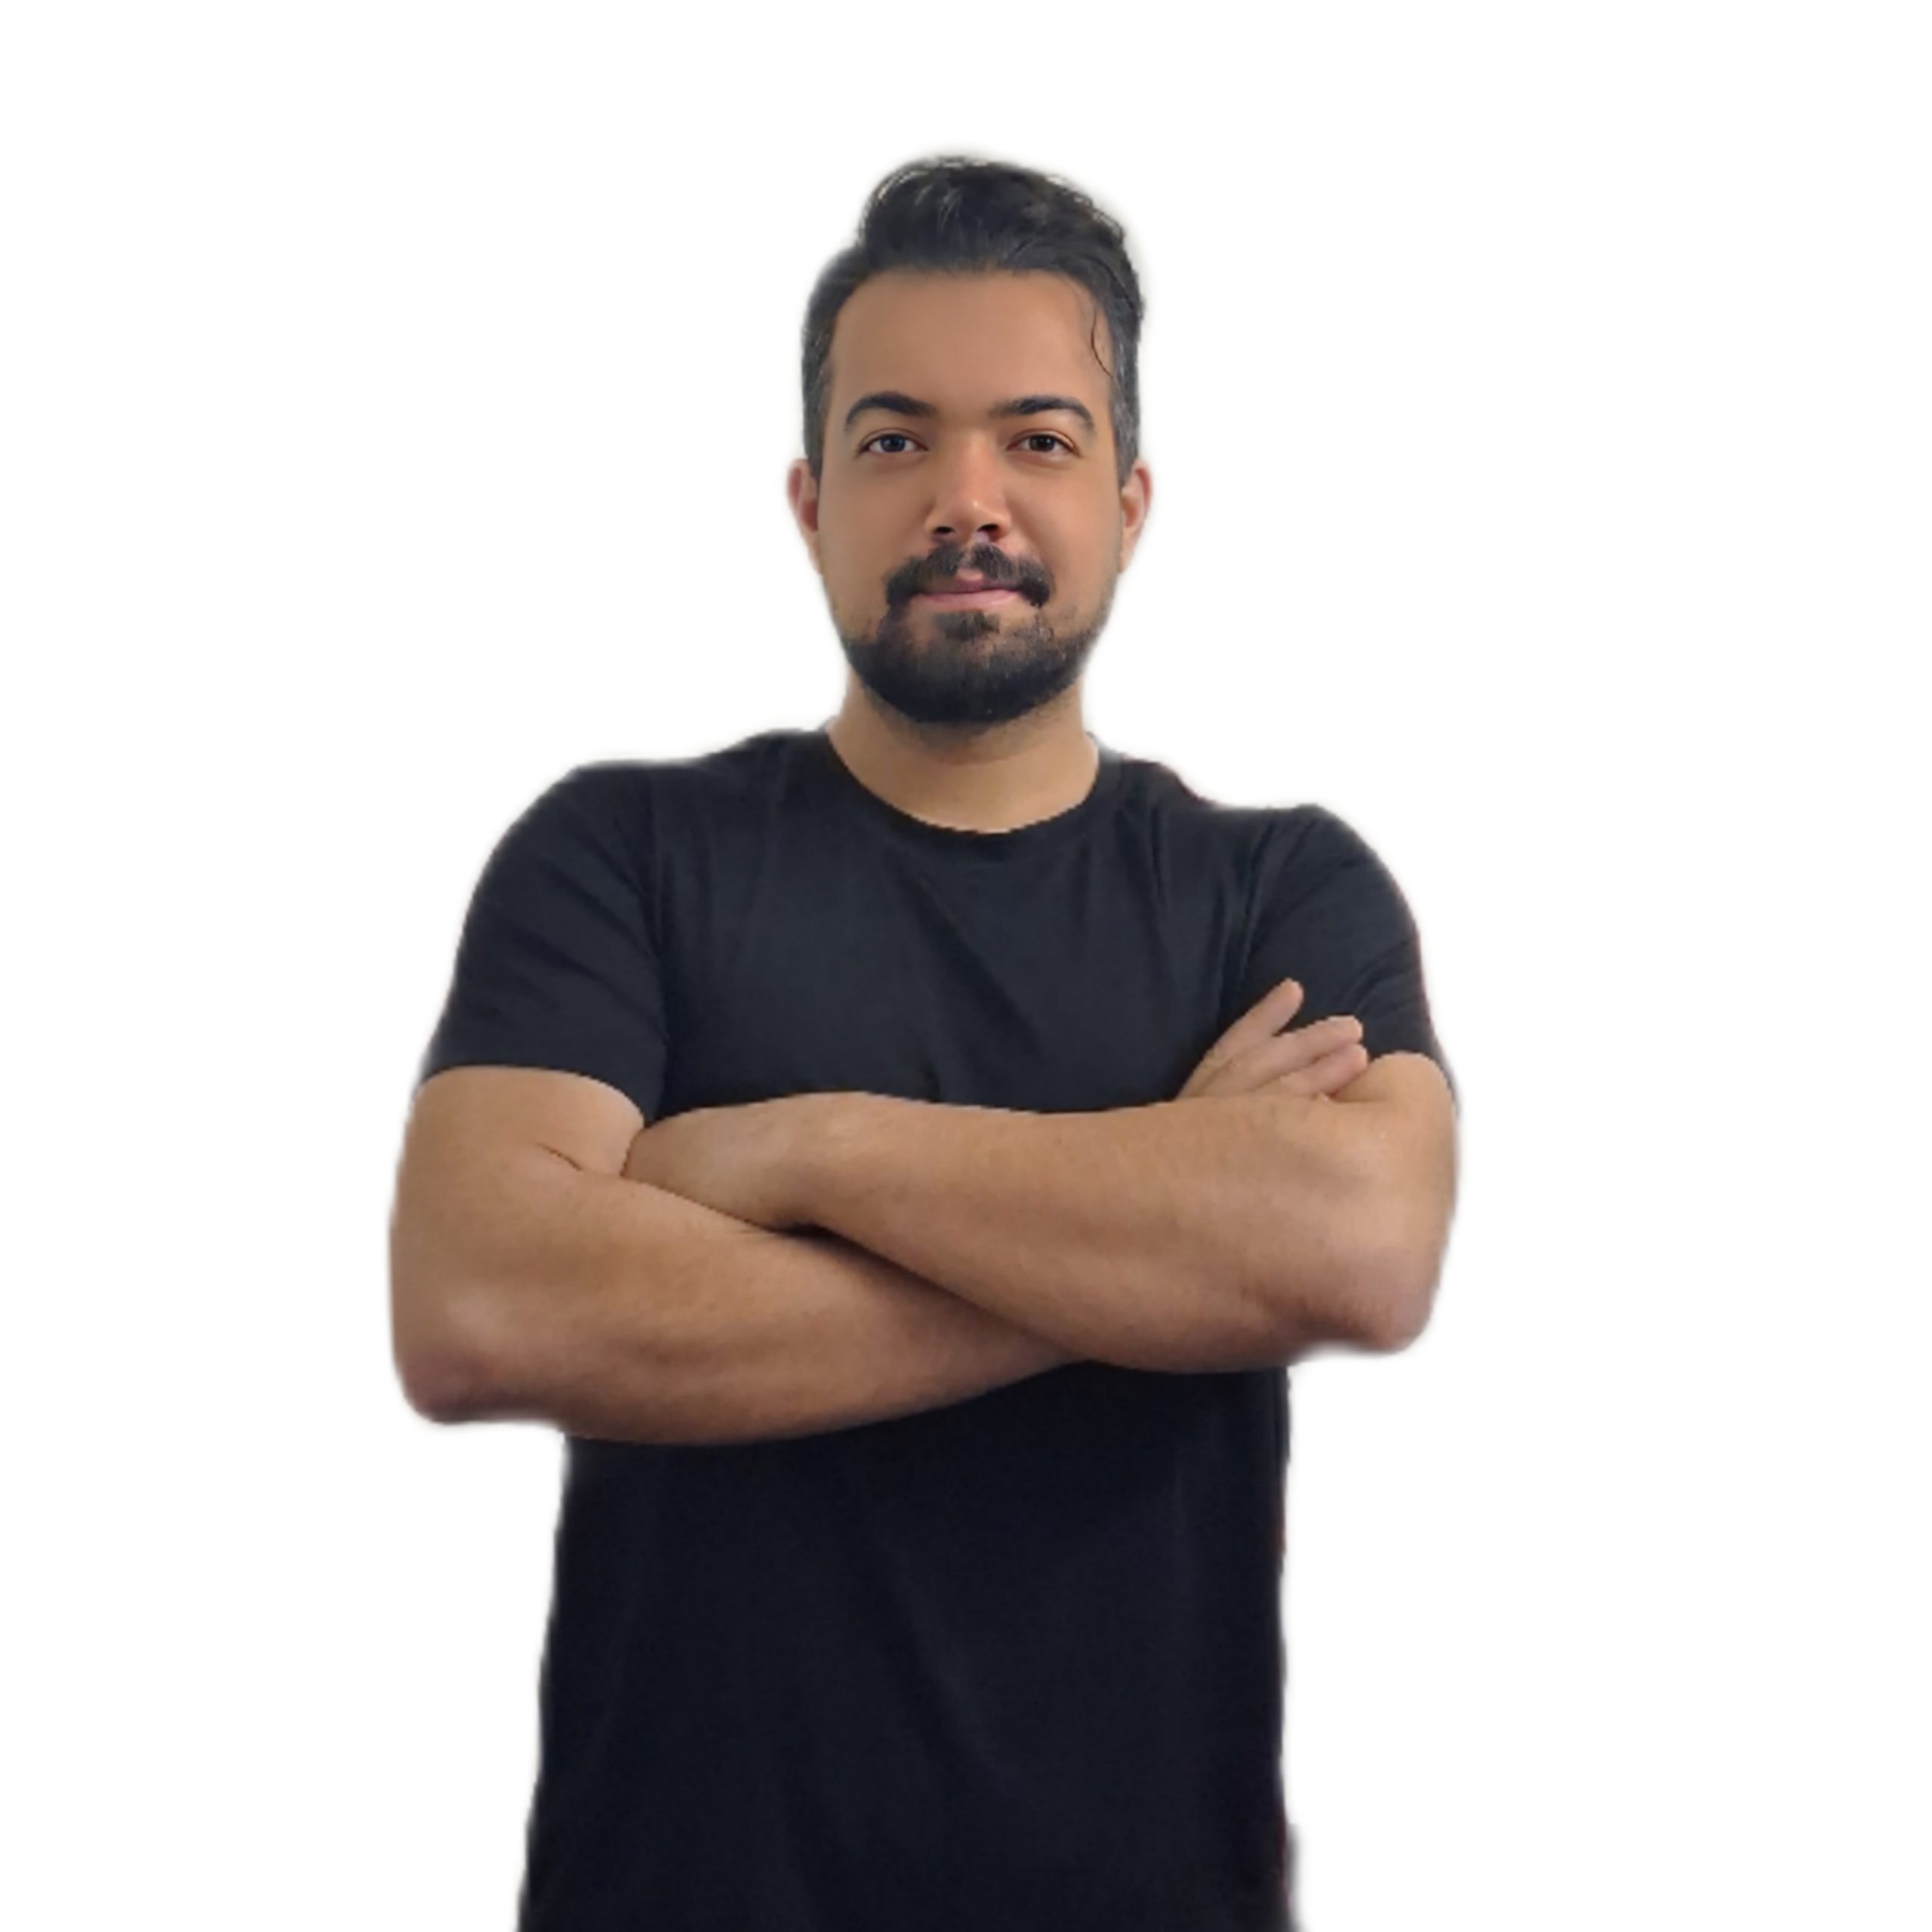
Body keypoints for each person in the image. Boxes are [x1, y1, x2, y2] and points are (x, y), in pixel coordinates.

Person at [392, 152, 1460, 1932]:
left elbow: (1357, 1247)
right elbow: (482, 1302)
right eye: (896, 440)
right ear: (811, 501)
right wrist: (1158, 1242)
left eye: (1035, 438)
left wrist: (792, 1150)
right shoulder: (620, 857)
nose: (968, 499)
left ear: (1127, 500)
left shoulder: (1276, 891)